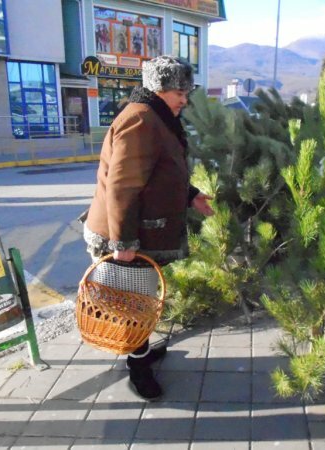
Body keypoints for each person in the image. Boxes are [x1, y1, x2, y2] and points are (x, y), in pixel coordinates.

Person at [83, 55, 214, 400]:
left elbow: (161, 175)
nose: (185, 99)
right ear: (159, 88)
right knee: (131, 302)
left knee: (138, 299)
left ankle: (139, 350)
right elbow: (123, 186)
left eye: (187, 91)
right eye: (179, 92)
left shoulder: (156, 116)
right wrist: (123, 242)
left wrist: (191, 197)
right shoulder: (142, 119)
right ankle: (138, 368)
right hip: (129, 235)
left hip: (139, 230)